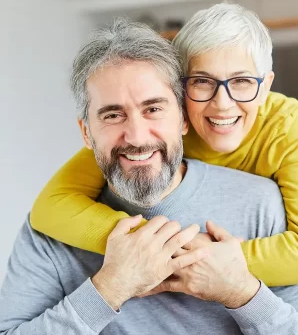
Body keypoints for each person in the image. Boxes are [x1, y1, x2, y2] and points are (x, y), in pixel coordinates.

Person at [1, 19, 298, 335]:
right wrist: (111, 286)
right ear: (86, 133)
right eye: (113, 115)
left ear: (183, 119)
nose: (137, 136)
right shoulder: (48, 231)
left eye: (153, 109)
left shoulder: (262, 203)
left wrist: (241, 292)